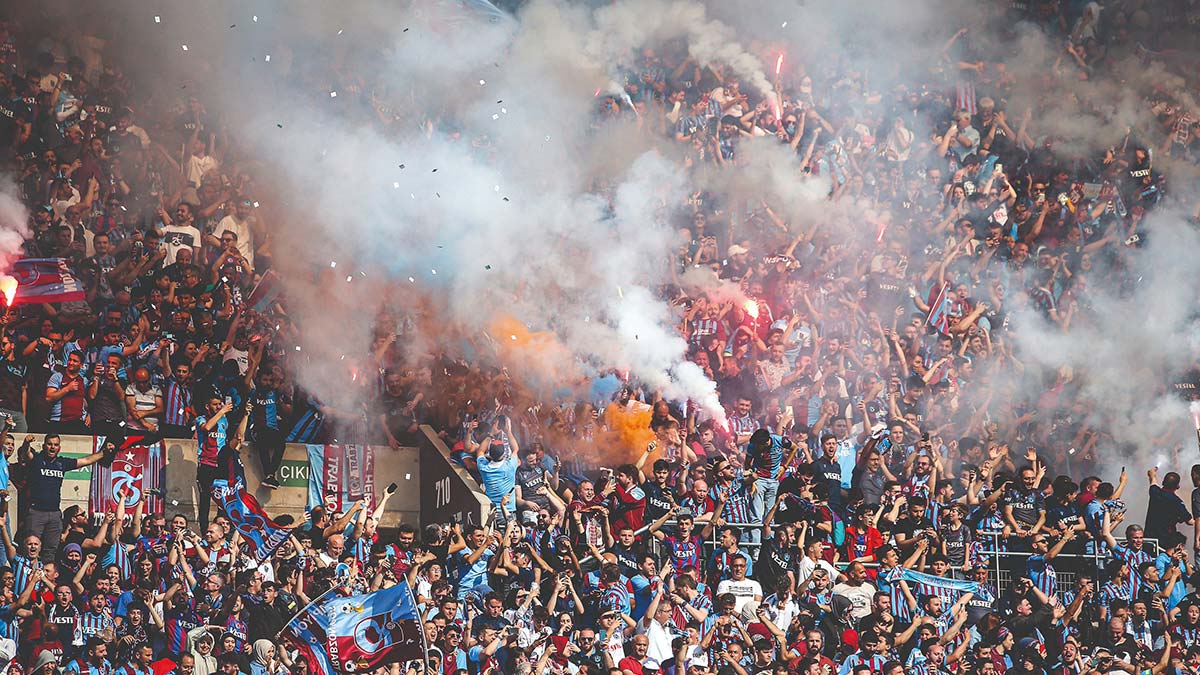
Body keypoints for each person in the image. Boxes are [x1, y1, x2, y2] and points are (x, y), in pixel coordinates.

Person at [17, 434, 105, 561]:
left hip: (54, 514)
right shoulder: (37, 459)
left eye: (56, 445)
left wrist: (104, 452)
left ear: (59, 447)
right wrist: (26, 442)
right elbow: (26, 453)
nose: (52, 447)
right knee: (31, 546)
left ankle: (46, 576)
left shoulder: (62, 463)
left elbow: (86, 461)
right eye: (49, 444)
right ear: (44, 446)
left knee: (51, 550)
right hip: (36, 513)